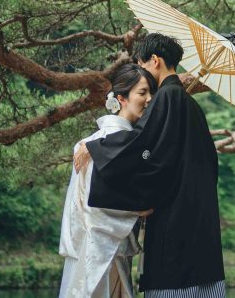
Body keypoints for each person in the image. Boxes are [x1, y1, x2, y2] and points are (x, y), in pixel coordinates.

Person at [74, 32, 226, 297]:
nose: (142, 74)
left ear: (154, 60)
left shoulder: (166, 98)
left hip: (175, 226)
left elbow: (140, 143)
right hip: (200, 225)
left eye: (142, 66)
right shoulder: (191, 106)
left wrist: (95, 146)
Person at [59, 63, 157, 298]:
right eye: (142, 93)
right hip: (101, 249)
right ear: (121, 98)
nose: (149, 99)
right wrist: (139, 209)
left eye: (150, 93)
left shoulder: (98, 142)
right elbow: (94, 203)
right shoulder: (108, 141)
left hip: (110, 247)